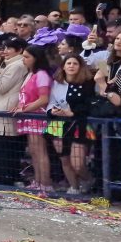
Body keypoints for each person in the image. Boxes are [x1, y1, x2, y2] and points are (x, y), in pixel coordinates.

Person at [48, 55, 96, 195]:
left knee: (78, 163)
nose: (71, 66)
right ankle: (74, 187)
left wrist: (72, 112)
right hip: (58, 123)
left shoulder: (88, 83)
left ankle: (88, 180)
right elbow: (51, 102)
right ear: (63, 66)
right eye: (68, 63)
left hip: (79, 124)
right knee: (64, 159)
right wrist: (52, 110)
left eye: (75, 63)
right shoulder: (56, 83)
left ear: (80, 66)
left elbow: (90, 104)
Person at [0, 36, 29, 185]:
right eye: (4, 48)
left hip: (5, 113)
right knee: (0, 149)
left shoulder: (17, 65)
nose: (5, 51)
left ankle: (5, 179)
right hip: (0, 111)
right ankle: (3, 177)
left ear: (20, 50)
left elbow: (0, 88)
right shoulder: (10, 63)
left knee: (4, 149)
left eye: (10, 48)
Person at [14, 45, 53, 192]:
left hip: (37, 116)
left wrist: (23, 109)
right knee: (34, 151)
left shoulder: (42, 74)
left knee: (40, 151)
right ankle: (38, 181)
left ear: (36, 59)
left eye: (27, 57)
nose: (23, 59)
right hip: (30, 116)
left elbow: (43, 99)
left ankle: (45, 183)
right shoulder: (30, 74)